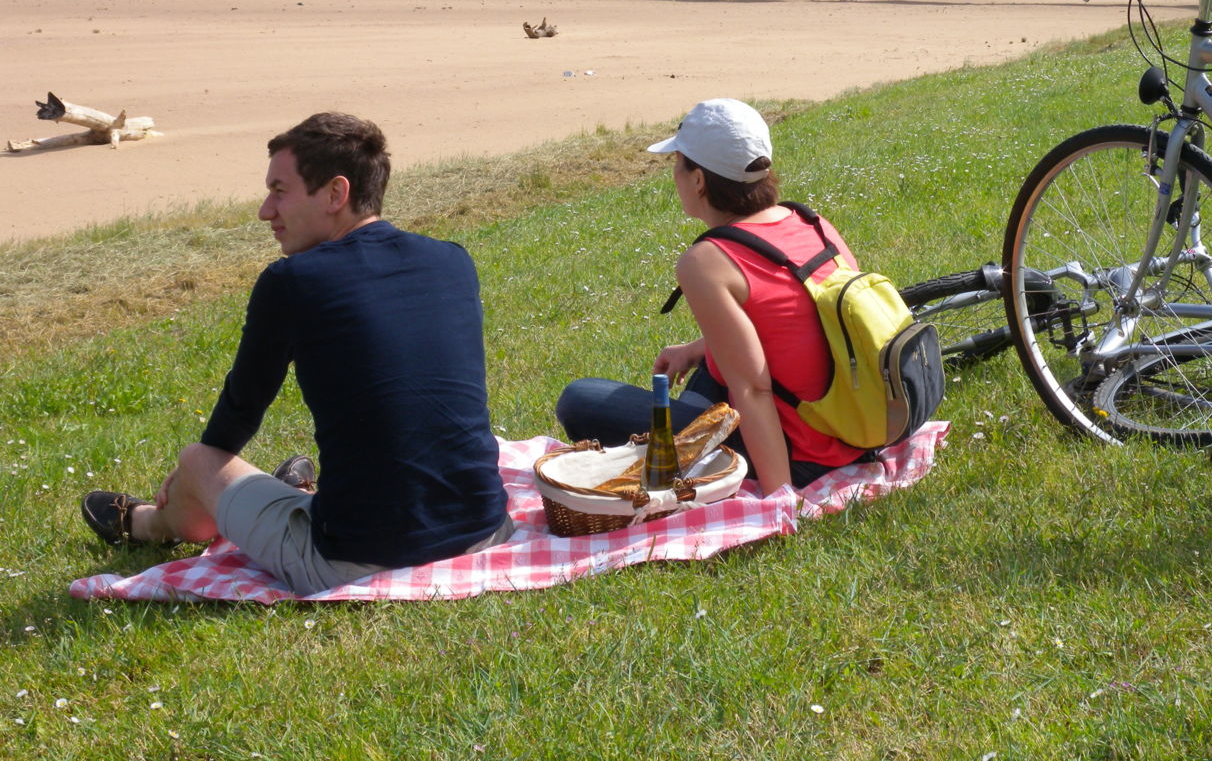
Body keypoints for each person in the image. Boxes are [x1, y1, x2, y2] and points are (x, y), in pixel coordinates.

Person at [80, 112, 512, 595]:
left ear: (335, 194)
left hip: (355, 557)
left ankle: (143, 523)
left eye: (279, 191)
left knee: (199, 459)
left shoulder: (293, 282)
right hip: (485, 528)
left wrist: (190, 478)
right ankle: (286, 496)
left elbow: (240, 412)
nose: (266, 211)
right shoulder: (452, 259)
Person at [556, 98, 869, 496]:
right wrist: (698, 348)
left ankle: (692, 454)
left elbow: (754, 389)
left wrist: (779, 498)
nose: (675, 175)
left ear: (699, 180)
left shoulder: (707, 261)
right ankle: (693, 436)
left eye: (678, 163)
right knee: (714, 363)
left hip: (802, 454)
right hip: (851, 426)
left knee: (581, 400)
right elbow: (803, 324)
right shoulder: (810, 222)